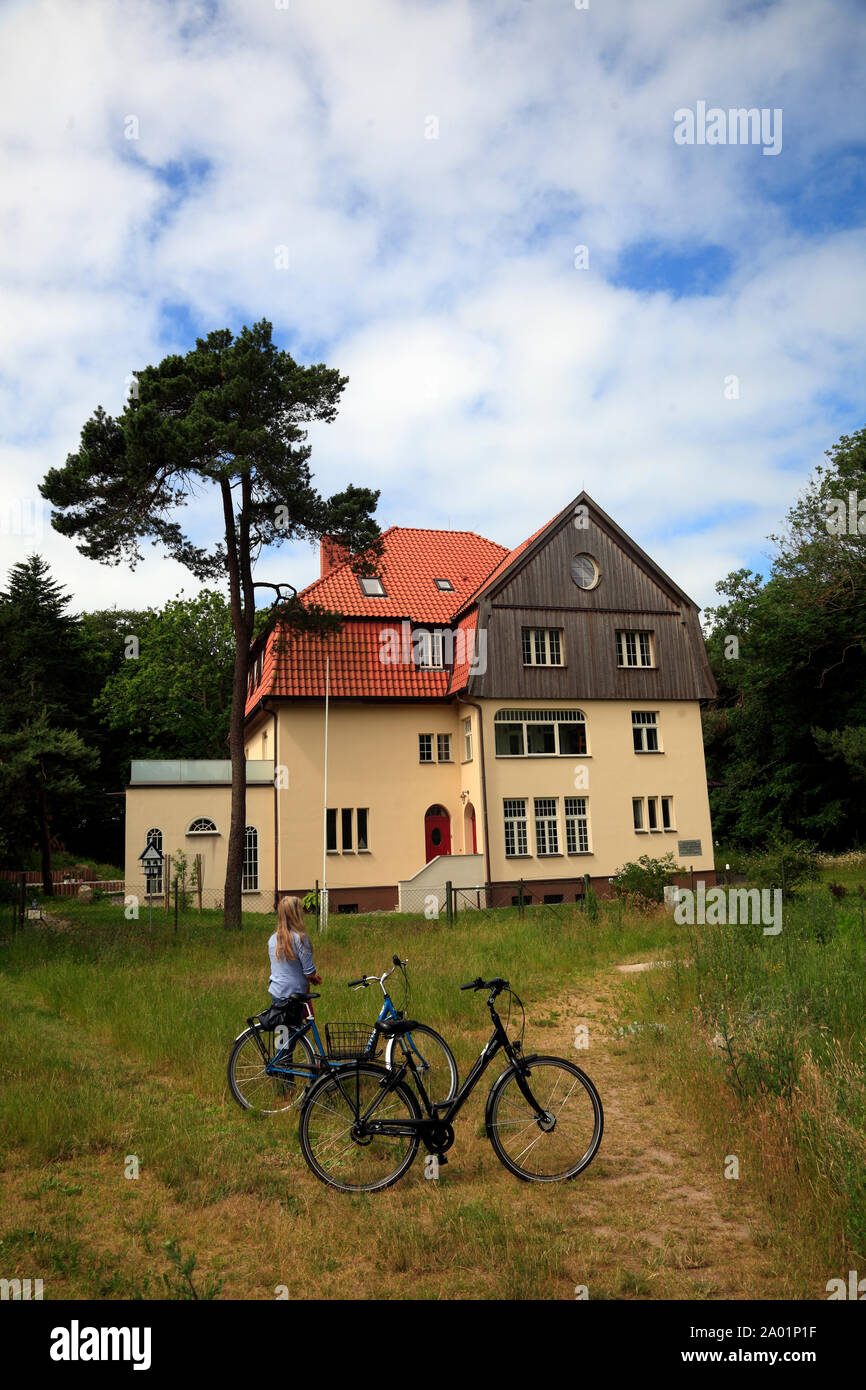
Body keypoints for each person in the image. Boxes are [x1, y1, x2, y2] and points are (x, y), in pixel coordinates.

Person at [268, 895, 321, 1006]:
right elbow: (309, 972)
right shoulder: (301, 938)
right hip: (295, 993)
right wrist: (314, 977)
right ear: (296, 914)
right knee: (296, 1023)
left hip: (276, 991)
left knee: (284, 1023)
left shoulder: (273, 939)